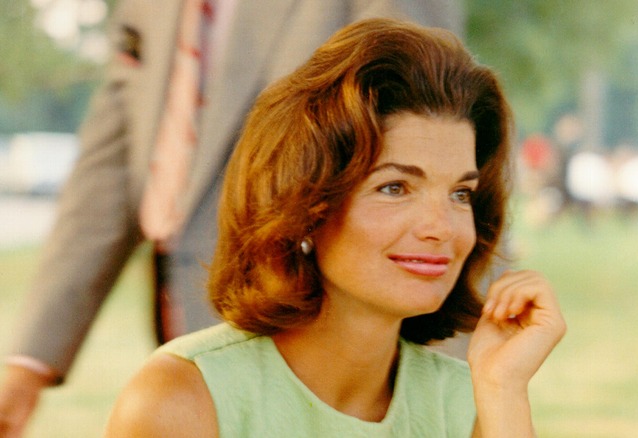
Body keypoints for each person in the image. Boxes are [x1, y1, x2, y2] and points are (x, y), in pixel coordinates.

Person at [0, 1, 463, 436]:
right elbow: (112, 161)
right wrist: (29, 361)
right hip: (189, 313)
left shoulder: (453, 397)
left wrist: (468, 394)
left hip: (340, 331)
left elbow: (437, 115)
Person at [104, 18, 566, 437]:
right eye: (394, 188)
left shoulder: (470, 403)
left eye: (460, 194)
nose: (440, 228)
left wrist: (503, 391)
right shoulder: (181, 400)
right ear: (306, 204)